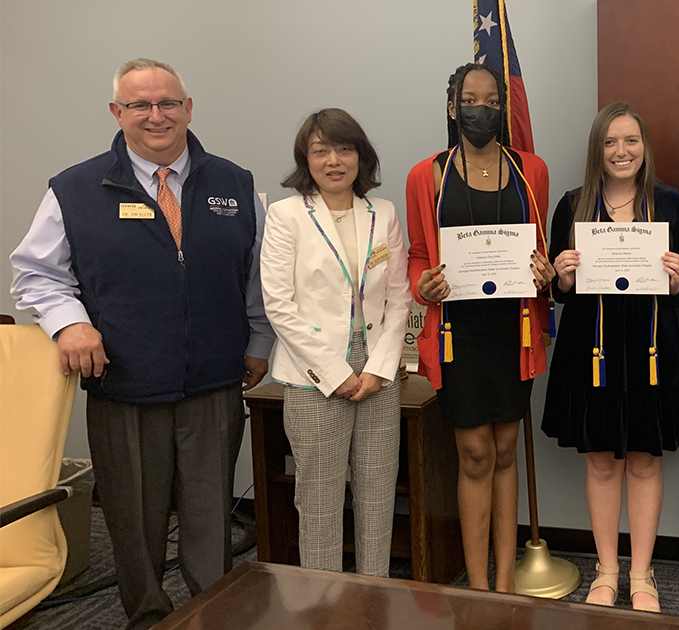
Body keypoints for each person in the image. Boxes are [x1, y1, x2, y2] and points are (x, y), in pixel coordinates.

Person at [8, 58, 274, 630]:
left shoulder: (236, 183)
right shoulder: (74, 189)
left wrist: (258, 340)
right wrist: (69, 322)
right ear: (117, 113)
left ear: (188, 107)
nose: (157, 116)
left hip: (214, 380)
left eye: (168, 103)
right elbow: (35, 274)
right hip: (124, 383)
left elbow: (255, 273)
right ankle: (149, 618)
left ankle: (214, 614)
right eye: (140, 105)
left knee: (209, 516)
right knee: (134, 518)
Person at [405, 63, 554, 592]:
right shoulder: (427, 175)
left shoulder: (531, 170)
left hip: (513, 332)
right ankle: (477, 586)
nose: (481, 109)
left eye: (492, 101)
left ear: (502, 109)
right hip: (457, 335)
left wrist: (545, 271)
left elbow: (542, 251)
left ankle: (507, 583)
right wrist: (423, 285)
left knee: (507, 447)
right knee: (474, 453)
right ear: (452, 108)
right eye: (470, 100)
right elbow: (419, 255)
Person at [542, 102, 679, 612]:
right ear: (597, 150)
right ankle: (607, 568)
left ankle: (642, 573)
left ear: (644, 147)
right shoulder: (573, 204)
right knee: (602, 462)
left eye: (631, 140)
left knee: (646, 461)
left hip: (651, 347)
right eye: (610, 142)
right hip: (593, 349)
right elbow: (561, 292)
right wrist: (562, 277)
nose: (621, 151)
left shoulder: (670, 204)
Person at [260, 108, 410, 577]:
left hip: (377, 375)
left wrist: (379, 369)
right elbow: (279, 305)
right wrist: (336, 373)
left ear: (360, 156)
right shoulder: (286, 216)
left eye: (344, 149)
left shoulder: (381, 213)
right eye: (320, 150)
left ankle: (374, 598)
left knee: (377, 495)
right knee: (320, 501)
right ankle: (323, 608)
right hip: (314, 375)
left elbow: (400, 297)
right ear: (306, 159)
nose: (333, 160)